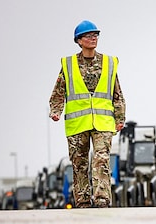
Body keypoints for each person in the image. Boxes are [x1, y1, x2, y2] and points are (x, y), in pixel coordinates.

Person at [49, 20, 126, 208]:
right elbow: (59, 90)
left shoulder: (108, 62)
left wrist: (120, 117)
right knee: (79, 164)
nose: (93, 38)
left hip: (103, 122)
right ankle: (83, 201)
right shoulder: (69, 64)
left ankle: (101, 200)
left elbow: (117, 92)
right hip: (77, 123)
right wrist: (55, 110)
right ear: (79, 40)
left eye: (95, 35)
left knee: (101, 160)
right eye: (89, 35)